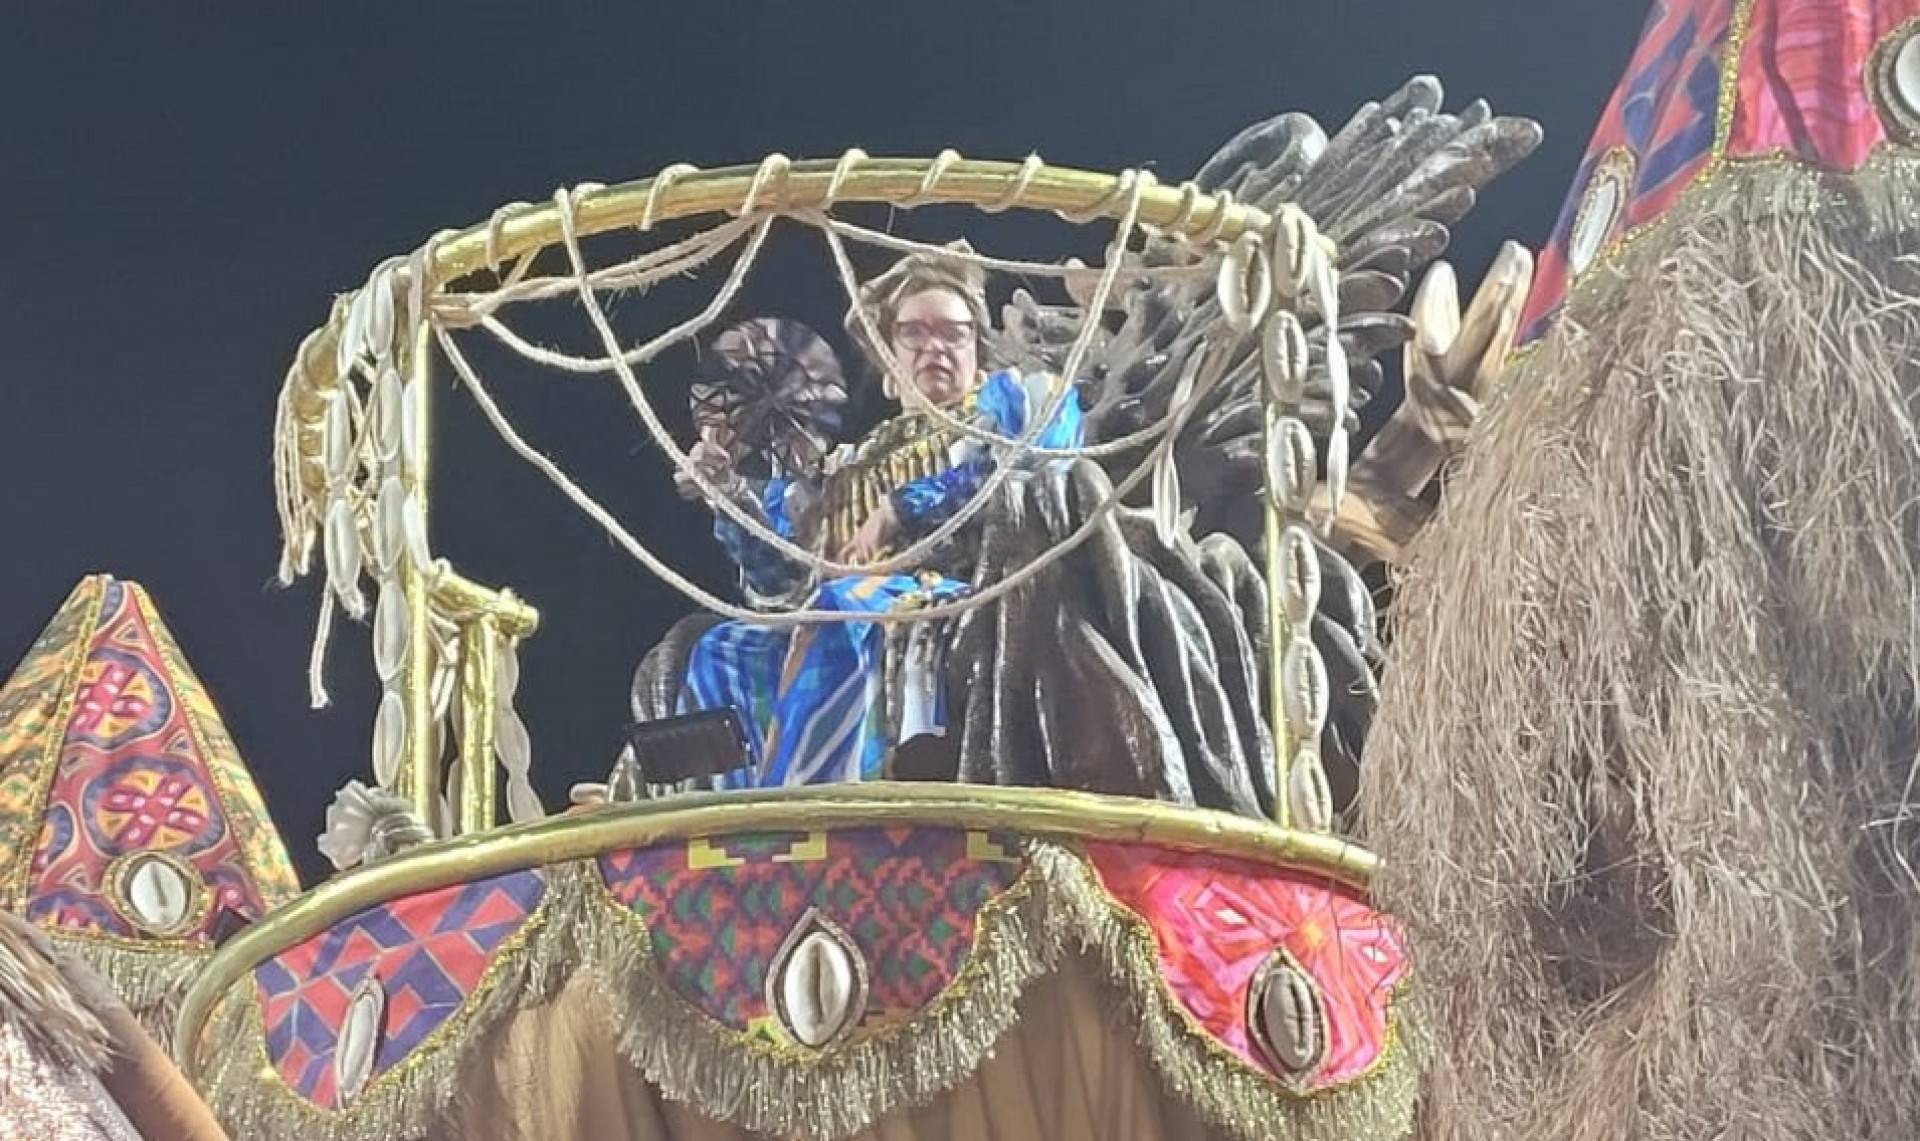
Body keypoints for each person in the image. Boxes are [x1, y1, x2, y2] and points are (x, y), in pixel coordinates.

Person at [675, 251, 1084, 787]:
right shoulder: (847, 466)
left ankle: (809, 798)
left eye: (952, 333)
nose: (934, 346)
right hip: (839, 610)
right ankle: (708, 809)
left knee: (842, 604)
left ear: (976, 345)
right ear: (889, 357)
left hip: (966, 594)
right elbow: (778, 584)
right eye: (913, 333)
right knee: (724, 647)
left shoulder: (1018, 398)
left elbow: (1030, 471)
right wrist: (726, 494)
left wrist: (898, 508)